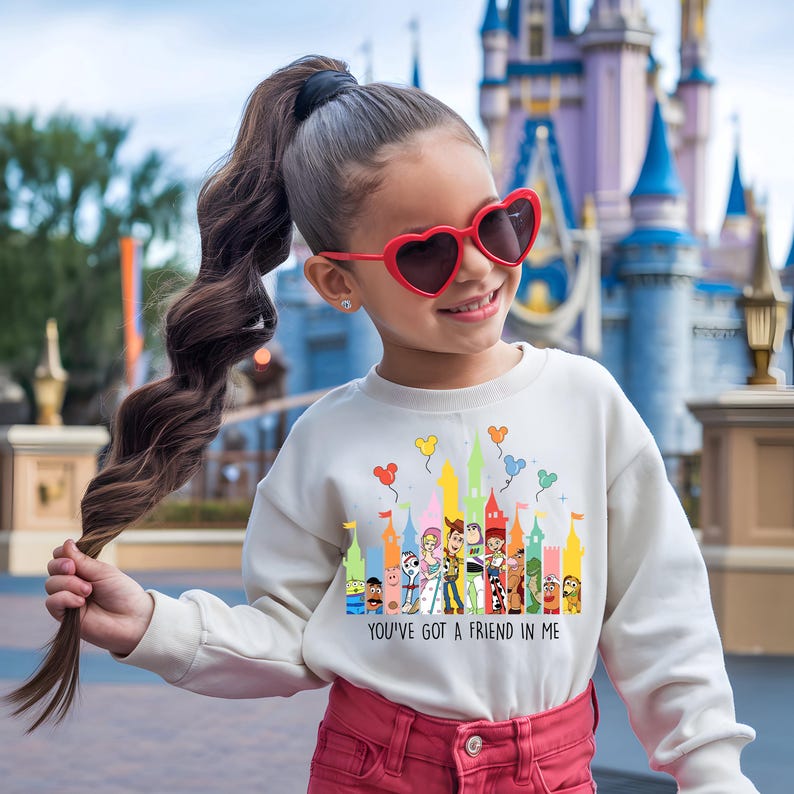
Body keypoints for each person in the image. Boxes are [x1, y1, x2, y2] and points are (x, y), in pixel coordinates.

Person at [11, 55, 758, 792]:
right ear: (338, 281)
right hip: (376, 774)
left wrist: (712, 772)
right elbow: (289, 635)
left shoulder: (586, 402)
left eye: (498, 226)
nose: (475, 266)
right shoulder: (326, 442)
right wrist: (151, 623)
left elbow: (661, 614)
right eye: (426, 253)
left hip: (552, 773)